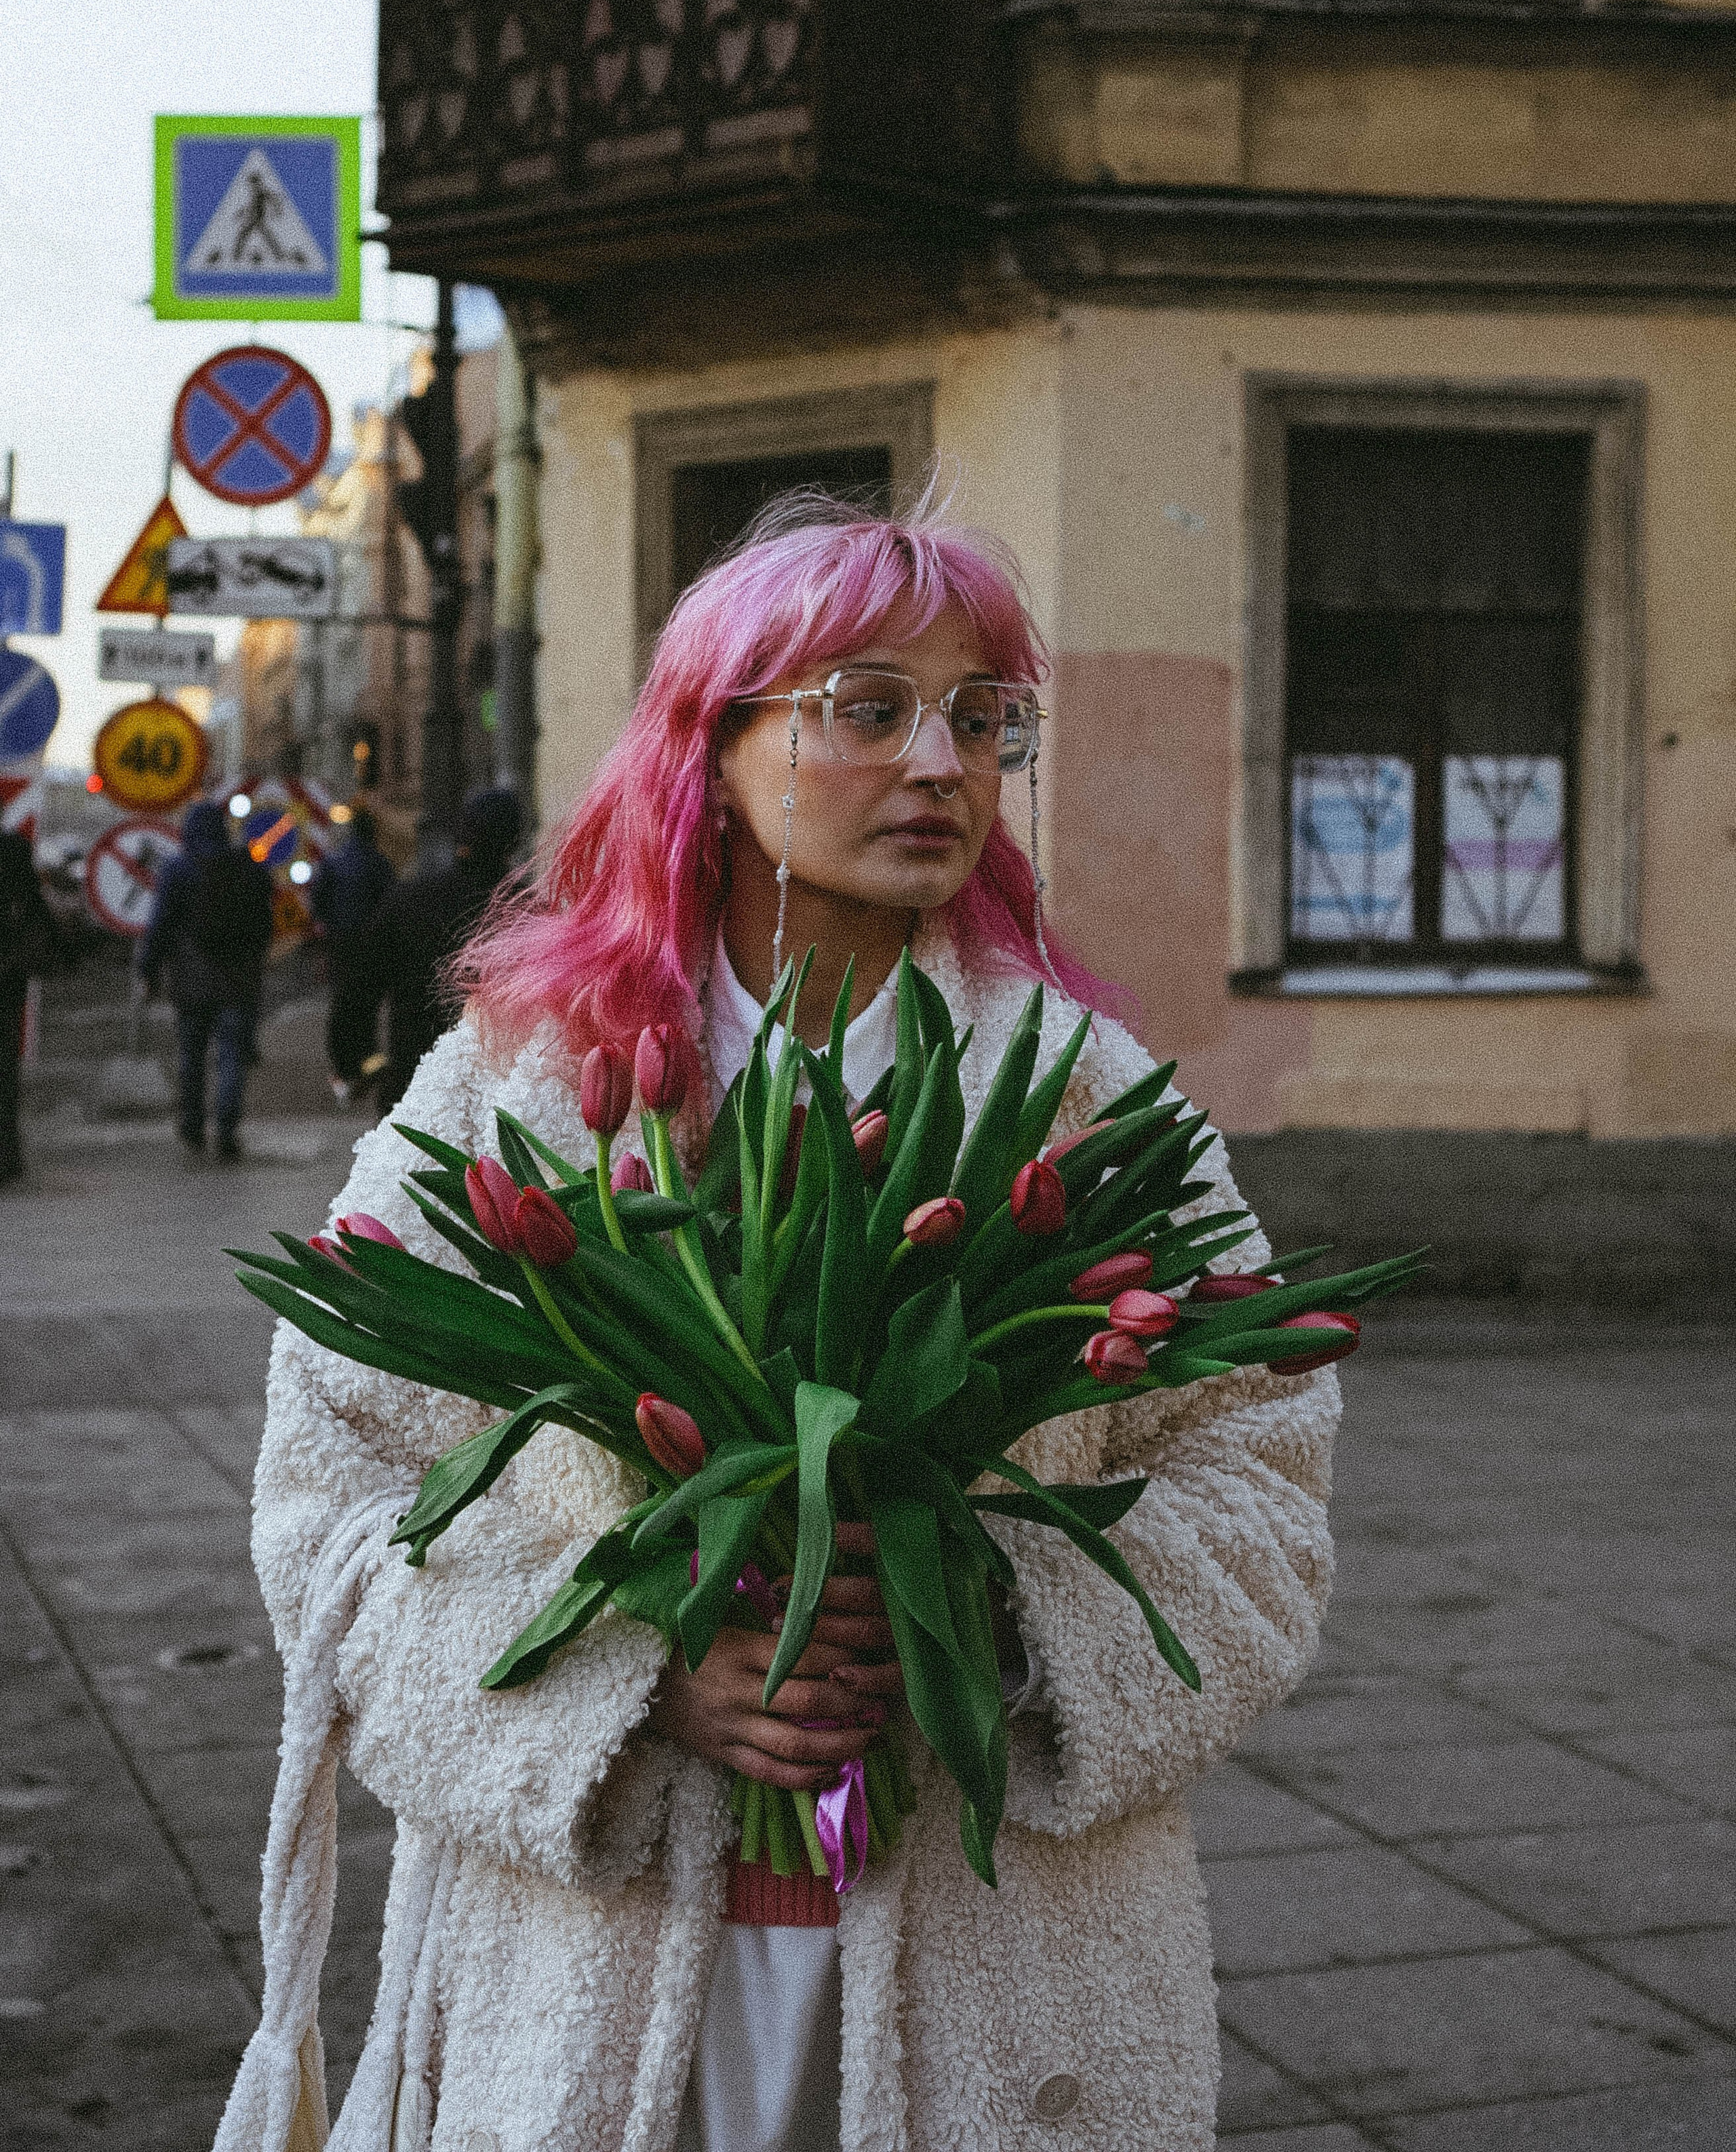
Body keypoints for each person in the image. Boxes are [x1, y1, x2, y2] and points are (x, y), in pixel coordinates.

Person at [229, 492, 1341, 2152]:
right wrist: (633, 1674)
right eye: (868, 706)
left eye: (980, 718)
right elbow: (329, 1504)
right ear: (712, 750)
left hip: (1001, 1945)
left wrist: (984, 1625)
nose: (941, 765)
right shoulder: (518, 1093)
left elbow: (1258, 1477)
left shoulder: (1090, 1104)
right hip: (589, 1963)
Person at [358, 785, 523, 1114]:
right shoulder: (525, 910)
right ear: (512, 841)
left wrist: (359, 1062)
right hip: (500, 1090)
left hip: (414, 1080)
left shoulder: (409, 900)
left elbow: (361, 986)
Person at [138, 799, 274, 1161]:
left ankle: (193, 1129)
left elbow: (160, 926)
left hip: (191, 981)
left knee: (192, 1057)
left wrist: (147, 969)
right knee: (232, 1056)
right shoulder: (249, 868)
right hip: (239, 981)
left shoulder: (178, 868)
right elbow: (266, 926)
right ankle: (227, 1130)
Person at [309, 805, 396, 1103]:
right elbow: (391, 906)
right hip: (372, 949)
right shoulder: (381, 865)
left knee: (341, 1009)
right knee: (368, 1011)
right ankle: (368, 1064)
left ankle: (343, 1070)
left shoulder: (333, 862)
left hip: (340, 948)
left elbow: (317, 903)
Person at [0, 832, 57, 1186]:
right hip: (9, 983)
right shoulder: (19, 866)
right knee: (5, 1072)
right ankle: (8, 1155)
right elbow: (43, 925)